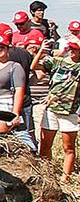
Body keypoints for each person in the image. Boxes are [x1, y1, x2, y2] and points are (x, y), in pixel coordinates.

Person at [43, 38, 80, 177]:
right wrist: (44, 50)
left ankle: (66, 177)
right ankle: (47, 174)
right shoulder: (58, 62)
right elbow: (35, 66)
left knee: (68, 147)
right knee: (45, 145)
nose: (71, 51)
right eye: (70, 48)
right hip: (51, 108)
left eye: (75, 49)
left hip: (70, 111)